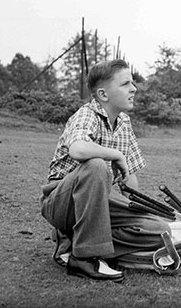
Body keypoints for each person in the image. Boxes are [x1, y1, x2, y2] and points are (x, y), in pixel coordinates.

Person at [40, 59, 169, 282]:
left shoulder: (124, 122)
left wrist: (135, 208)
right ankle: (84, 258)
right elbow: (79, 149)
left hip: (99, 202)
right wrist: (115, 154)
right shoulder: (86, 114)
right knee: (96, 164)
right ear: (103, 94)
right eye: (125, 84)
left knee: (160, 230)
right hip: (62, 202)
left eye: (133, 82)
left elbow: (129, 177)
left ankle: (75, 238)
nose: (134, 89)